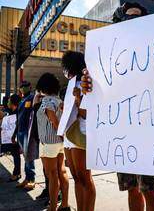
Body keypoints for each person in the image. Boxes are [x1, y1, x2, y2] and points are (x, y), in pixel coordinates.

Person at [82, 3, 154, 211]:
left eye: (137, 17)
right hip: (122, 133)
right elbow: (99, 91)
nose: (133, 21)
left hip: (148, 130)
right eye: (128, 17)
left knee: (149, 188)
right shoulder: (107, 56)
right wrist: (88, 86)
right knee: (132, 188)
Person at [61, 51, 96, 211]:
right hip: (69, 134)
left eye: (66, 66)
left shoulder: (85, 82)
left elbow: (87, 113)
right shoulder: (70, 84)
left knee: (84, 177)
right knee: (76, 177)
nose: (64, 70)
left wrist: (78, 99)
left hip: (81, 133)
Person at [36, 73, 70, 211]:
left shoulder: (46, 101)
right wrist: (63, 138)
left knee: (52, 175)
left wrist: (60, 135)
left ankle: (53, 207)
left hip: (49, 142)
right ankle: (65, 204)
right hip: (59, 142)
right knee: (61, 172)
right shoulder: (60, 101)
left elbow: (53, 120)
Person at [13, 81, 36, 190]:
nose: (22, 88)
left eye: (24, 86)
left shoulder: (32, 98)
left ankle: (31, 179)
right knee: (25, 157)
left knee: (29, 156)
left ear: (29, 87)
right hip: (20, 132)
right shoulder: (22, 100)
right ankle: (27, 178)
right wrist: (14, 134)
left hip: (28, 131)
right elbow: (18, 119)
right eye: (21, 87)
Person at [7, 94, 22, 182]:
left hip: (15, 137)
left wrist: (14, 136)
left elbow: (17, 126)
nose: (8, 103)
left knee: (16, 155)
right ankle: (17, 173)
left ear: (13, 103)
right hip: (11, 137)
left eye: (9, 101)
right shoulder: (12, 111)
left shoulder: (17, 112)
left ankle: (16, 173)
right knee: (15, 155)